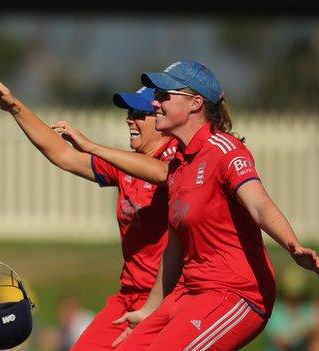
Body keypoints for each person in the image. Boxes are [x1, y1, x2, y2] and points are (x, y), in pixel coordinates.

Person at [53, 60, 319, 350]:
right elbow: (174, 248)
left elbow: (260, 205)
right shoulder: (178, 165)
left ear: (195, 103)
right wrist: (149, 310)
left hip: (236, 293)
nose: (154, 103)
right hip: (188, 293)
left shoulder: (224, 150)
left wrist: (292, 245)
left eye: (164, 96)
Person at [0, 81, 184, 350]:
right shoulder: (125, 165)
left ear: (163, 119)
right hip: (129, 295)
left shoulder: (180, 161)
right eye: (129, 114)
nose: (130, 120)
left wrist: (92, 146)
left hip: (168, 299)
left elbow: (163, 173)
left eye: (139, 114)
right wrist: (14, 106)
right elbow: (63, 154)